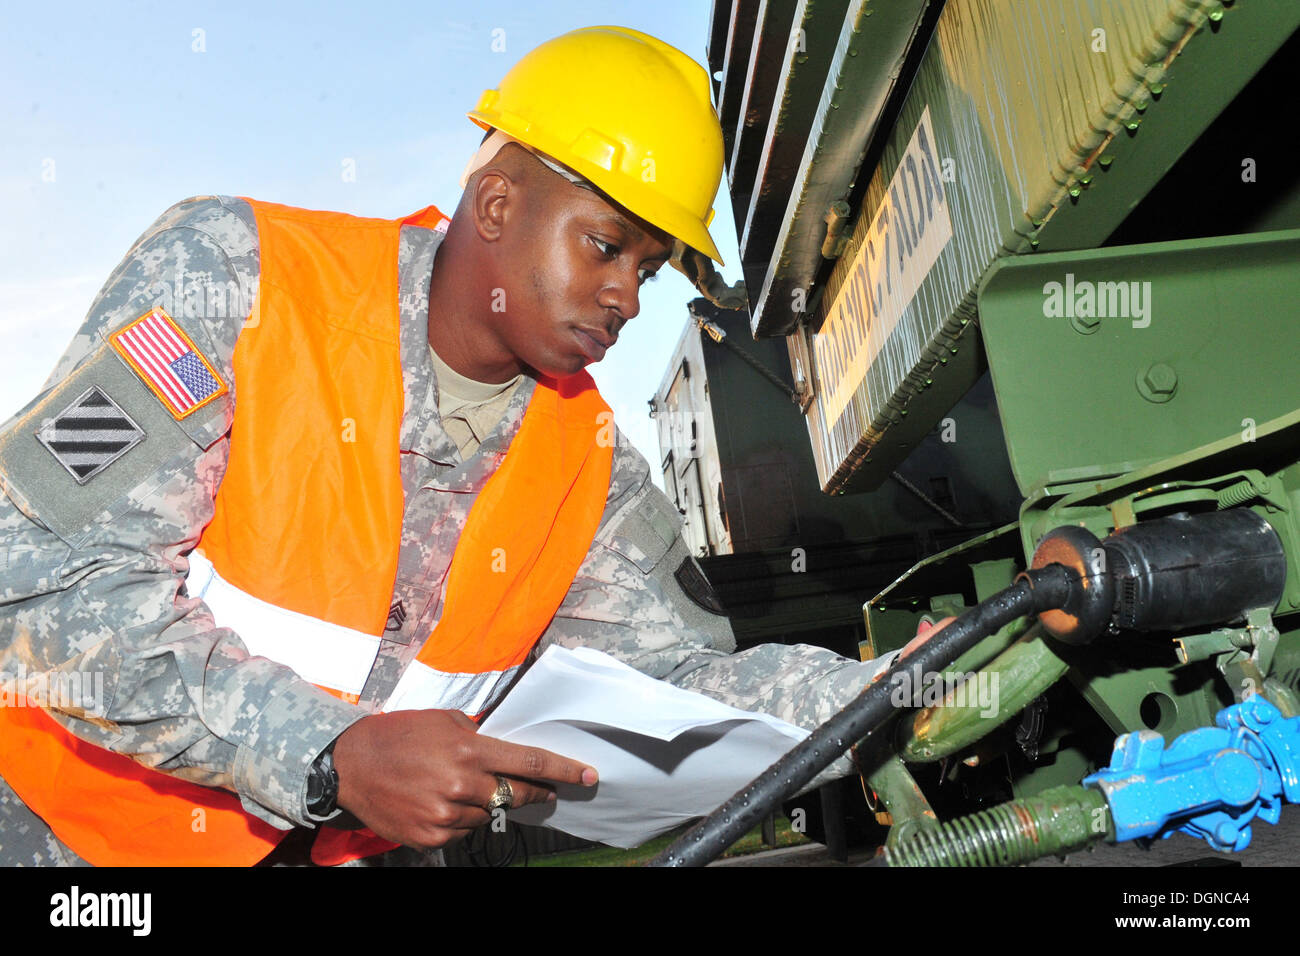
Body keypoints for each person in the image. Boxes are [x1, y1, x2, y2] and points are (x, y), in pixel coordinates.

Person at [0, 25, 924, 867]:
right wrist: (331, 754)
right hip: (62, 840)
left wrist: (909, 681)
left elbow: (678, 693)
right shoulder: (235, 278)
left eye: (646, 269)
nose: (627, 298)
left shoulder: (590, 459)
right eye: (605, 246)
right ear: (494, 204)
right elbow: (40, 577)